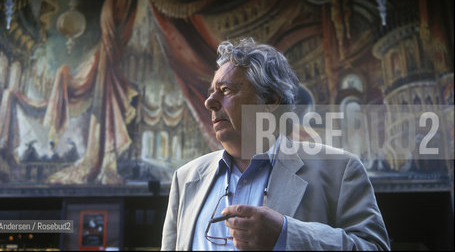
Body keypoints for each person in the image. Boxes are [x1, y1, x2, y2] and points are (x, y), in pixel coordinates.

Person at [161, 38, 390, 250]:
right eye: (212, 92)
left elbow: (374, 247)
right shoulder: (186, 179)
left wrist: (286, 234)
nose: (209, 102)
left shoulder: (340, 169)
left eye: (226, 90)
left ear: (271, 101)